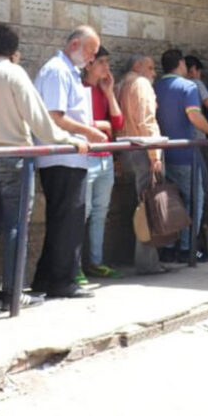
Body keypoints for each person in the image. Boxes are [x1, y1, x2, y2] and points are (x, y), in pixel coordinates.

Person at [0, 24, 88, 309]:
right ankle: (13, 293)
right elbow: (39, 119)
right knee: (15, 226)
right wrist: (67, 139)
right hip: (14, 156)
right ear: (13, 50)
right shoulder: (14, 73)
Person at [30, 26, 106, 300]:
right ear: (74, 44)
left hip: (71, 156)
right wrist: (89, 131)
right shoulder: (57, 71)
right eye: (90, 51)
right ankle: (62, 281)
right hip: (61, 156)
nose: (91, 57)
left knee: (65, 220)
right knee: (68, 220)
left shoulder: (68, 72)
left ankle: (46, 279)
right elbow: (54, 116)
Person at [155, 49, 208, 263]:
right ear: (181, 64)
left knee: (171, 201)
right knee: (194, 201)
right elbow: (195, 116)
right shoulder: (188, 86)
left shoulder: (156, 86)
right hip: (186, 154)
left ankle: (169, 247)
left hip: (162, 154)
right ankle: (188, 249)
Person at [117, 55, 166, 273]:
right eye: (151, 67)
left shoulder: (119, 86)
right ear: (137, 66)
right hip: (143, 150)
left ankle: (137, 257)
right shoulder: (141, 84)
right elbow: (148, 121)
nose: (154, 73)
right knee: (149, 208)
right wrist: (155, 154)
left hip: (125, 150)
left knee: (138, 206)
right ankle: (148, 263)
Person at [80, 45, 124, 279]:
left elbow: (117, 123)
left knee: (100, 212)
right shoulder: (79, 89)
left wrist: (109, 93)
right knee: (83, 212)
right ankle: (74, 266)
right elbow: (82, 123)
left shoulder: (103, 90)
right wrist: (102, 125)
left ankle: (96, 262)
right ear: (89, 64)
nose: (107, 67)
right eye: (102, 62)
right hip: (87, 158)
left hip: (105, 157)